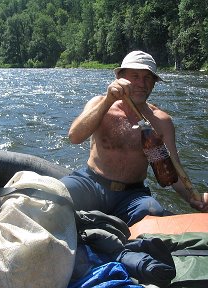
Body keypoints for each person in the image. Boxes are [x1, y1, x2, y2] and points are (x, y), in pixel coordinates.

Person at [61, 50, 208, 226]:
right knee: (55, 197)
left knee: (153, 211)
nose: (141, 83)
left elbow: (174, 171)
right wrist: (108, 101)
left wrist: (194, 198)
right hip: (90, 183)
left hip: (133, 195)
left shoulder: (161, 121)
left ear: (154, 83)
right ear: (120, 77)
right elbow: (74, 137)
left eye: (148, 78)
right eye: (135, 76)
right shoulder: (99, 104)